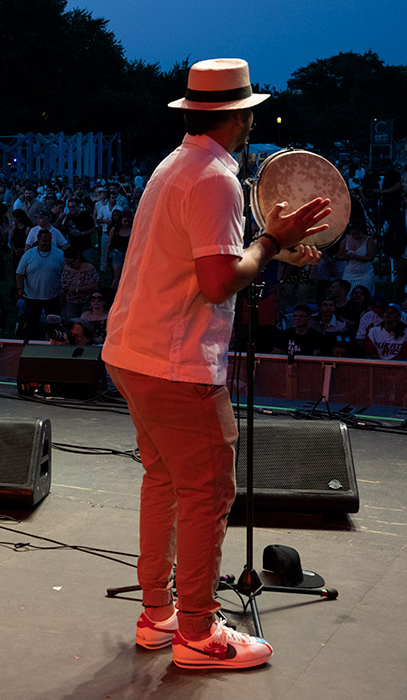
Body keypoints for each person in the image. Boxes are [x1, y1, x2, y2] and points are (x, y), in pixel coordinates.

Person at [103, 59, 330, 669]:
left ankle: (158, 616)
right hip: (176, 365)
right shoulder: (216, 179)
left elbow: (206, 265)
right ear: (240, 115)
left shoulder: (178, 164)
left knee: (167, 483)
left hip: (135, 353)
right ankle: (199, 634)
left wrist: (271, 250)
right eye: (251, 110)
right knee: (207, 493)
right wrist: (269, 243)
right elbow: (216, 282)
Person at [14, 229, 64, 340]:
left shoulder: (59, 254)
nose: (46, 243)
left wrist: (63, 290)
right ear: (38, 240)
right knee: (32, 325)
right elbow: (19, 272)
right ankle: (32, 346)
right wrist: (20, 289)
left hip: (52, 297)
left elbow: (65, 273)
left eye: (48, 241)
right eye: (44, 241)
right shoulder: (29, 255)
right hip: (32, 297)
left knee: (54, 326)